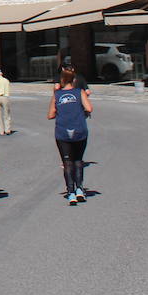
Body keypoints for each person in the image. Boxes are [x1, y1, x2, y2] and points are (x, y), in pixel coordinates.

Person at [49, 68, 93, 205]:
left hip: (62, 132)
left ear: (61, 81)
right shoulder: (79, 92)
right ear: (74, 80)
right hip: (79, 130)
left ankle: (70, 192)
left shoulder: (56, 95)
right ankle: (80, 189)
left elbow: (50, 114)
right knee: (78, 160)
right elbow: (89, 108)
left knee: (67, 163)